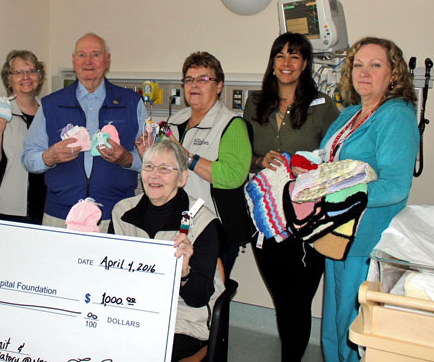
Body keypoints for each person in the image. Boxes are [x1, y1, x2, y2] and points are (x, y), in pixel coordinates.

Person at [319, 37, 419, 362]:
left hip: (365, 241)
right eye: (358, 64)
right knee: (334, 327)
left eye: (375, 65)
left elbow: (394, 187)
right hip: (336, 234)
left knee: (354, 330)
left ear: (394, 74)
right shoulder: (350, 113)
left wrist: (339, 194)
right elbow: (326, 159)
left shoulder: (396, 116)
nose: (364, 72)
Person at [242, 33, 339, 362]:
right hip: (267, 218)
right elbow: (244, 156)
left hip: (308, 217)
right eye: (280, 55)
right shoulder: (255, 104)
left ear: (305, 64)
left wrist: (308, 168)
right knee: (283, 298)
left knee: (299, 299)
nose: (286, 62)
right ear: (272, 63)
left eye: (295, 56)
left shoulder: (324, 106)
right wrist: (260, 161)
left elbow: (335, 158)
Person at [109, 140, 224, 361]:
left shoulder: (203, 222)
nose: (154, 176)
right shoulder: (122, 212)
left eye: (164, 169)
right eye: (148, 167)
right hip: (132, 311)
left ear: (182, 178)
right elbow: (114, 276)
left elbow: (199, 298)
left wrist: (184, 274)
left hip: (182, 319)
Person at [137, 51, 251, 275]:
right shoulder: (174, 122)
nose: (194, 85)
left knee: (208, 297)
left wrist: (187, 157)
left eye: (203, 79)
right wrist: (147, 157)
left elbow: (232, 177)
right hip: (173, 225)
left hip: (213, 229)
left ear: (219, 86)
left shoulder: (232, 124)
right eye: (189, 80)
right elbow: (167, 174)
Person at [22, 33, 147, 231]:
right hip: (60, 216)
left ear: (107, 60)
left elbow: (151, 161)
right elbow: (28, 158)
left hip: (116, 214)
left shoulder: (131, 103)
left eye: (95, 54)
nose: (88, 61)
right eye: (81, 55)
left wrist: (126, 159)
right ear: (74, 60)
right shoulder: (51, 105)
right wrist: (49, 157)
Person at [0, 50, 47, 223]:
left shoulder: (50, 112)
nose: (26, 76)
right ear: (9, 80)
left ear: (39, 76)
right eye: (18, 72)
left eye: (31, 70)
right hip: (8, 211)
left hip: (47, 209)